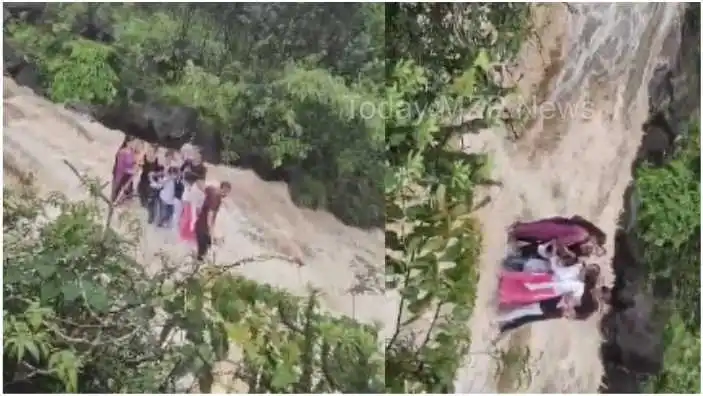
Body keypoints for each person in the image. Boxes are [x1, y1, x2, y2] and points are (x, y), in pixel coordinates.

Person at [498, 265, 607, 333]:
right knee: (525, 306)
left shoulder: (591, 307)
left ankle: (506, 325)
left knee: (527, 314)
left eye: (601, 295)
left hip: (554, 307)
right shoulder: (586, 287)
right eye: (600, 289)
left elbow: (576, 315)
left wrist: (568, 309)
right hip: (553, 297)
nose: (598, 292)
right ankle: (505, 310)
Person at [509, 215, 607, 260]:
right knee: (522, 232)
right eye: (593, 248)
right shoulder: (581, 236)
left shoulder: (584, 234)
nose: (590, 251)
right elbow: (560, 241)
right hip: (550, 231)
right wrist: (568, 253)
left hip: (553, 227)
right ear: (593, 241)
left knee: (528, 229)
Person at [194, 181, 232, 261]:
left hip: (199, 225)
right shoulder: (216, 199)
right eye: (224, 192)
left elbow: (201, 186)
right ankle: (197, 266)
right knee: (203, 252)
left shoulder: (212, 189)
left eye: (227, 193)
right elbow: (210, 217)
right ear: (221, 189)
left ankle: (199, 262)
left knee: (204, 249)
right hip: (204, 229)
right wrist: (212, 234)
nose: (225, 194)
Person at [112, 138, 139, 205]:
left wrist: (136, 166)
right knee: (117, 190)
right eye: (133, 143)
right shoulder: (122, 152)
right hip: (120, 175)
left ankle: (120, 201)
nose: (134, 144)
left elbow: (132, 163)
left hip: (128, 176)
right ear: (128, 143)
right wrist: (131, 171)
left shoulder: (132, 152)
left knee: (125, 190)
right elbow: (120, 168)